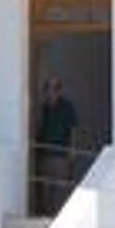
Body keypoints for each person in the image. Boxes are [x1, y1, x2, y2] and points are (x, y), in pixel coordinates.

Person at [35, 75, 78, 210]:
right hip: (44, 154)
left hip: (61, 155)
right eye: (48, 87)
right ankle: (45, 213)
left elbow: (73, 130)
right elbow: (36, 128)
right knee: (45, 188)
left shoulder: (67, 107)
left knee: (60, 189)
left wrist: (72, 150)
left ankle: (57, 215)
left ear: (60, 90)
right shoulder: (43, 109)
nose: (51, 91)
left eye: (55, 88)